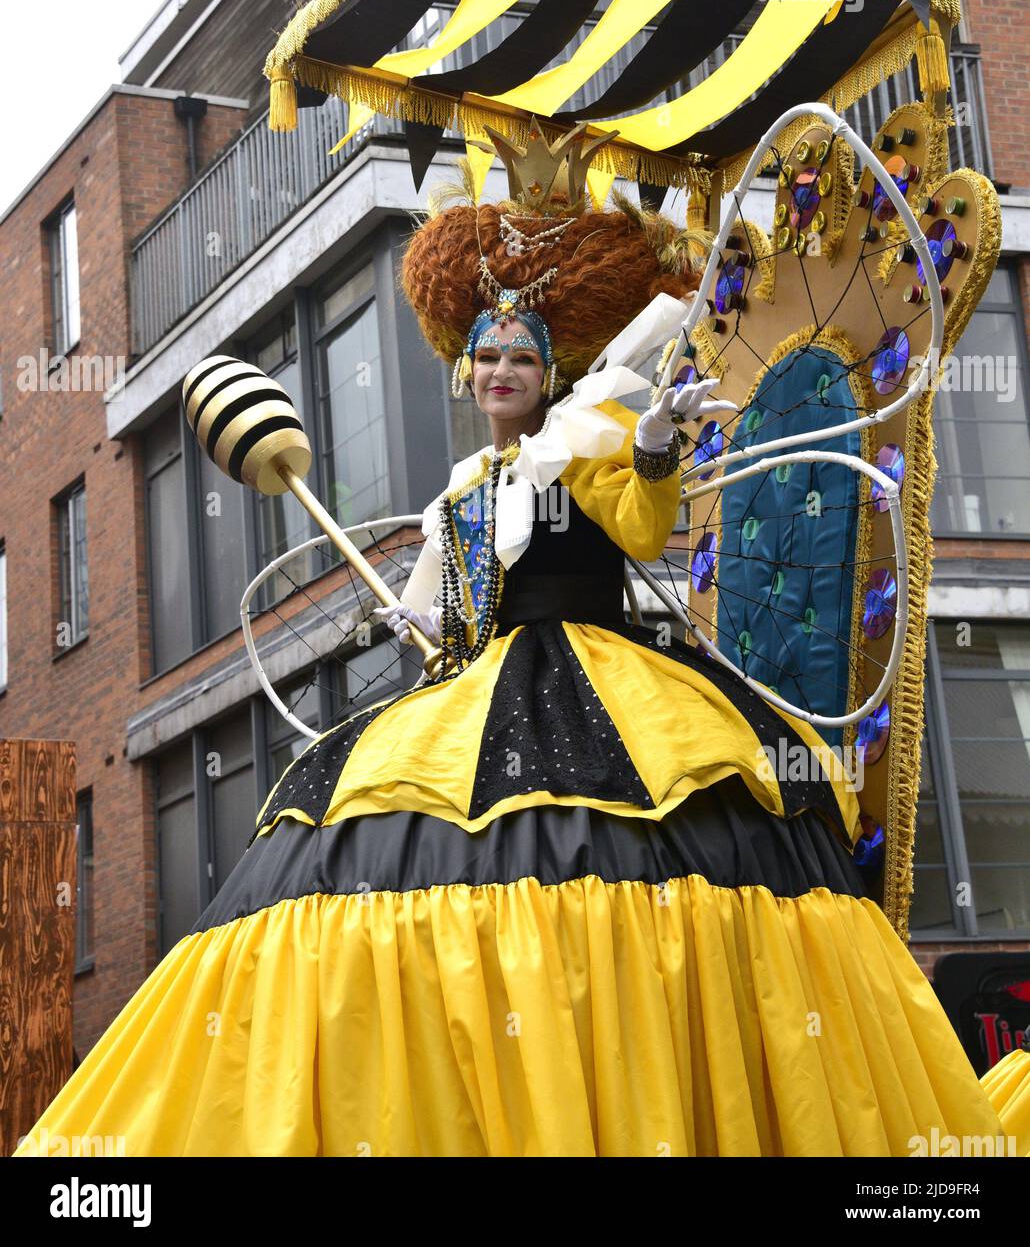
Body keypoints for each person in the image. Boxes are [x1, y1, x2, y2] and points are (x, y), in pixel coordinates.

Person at [13, 175, 1012, 1159]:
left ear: (546, 371)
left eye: (519, 356)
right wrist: (414, 612)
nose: (501, 369)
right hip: (471, 694)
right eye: (486, 355)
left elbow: (638, 522)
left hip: (608, 685)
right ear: (465, 373)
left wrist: (654, 448)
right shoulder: (456, 495)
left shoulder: (588, 442)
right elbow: (446, 618)